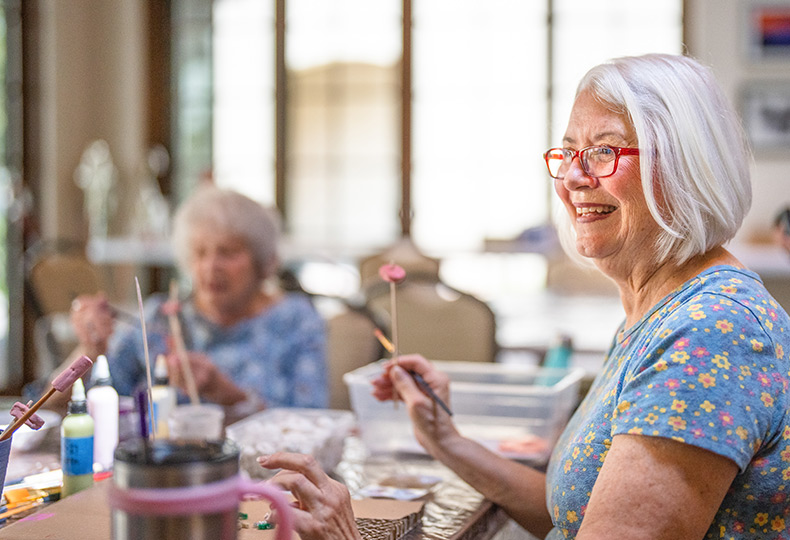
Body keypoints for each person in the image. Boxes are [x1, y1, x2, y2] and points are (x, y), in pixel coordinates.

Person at [257, 54, 790, 540]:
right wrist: (447, 440)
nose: (573, 177)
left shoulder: (709, 330)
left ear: (685, 167)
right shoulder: (656, 313)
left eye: (604, 151)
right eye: (570, 152)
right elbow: (572, 516)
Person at [68, 185, 329, 415]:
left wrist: (230, 396)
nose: (211, 267)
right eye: (200, 252)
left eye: (228, 252)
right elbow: (78, 402)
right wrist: (90, 350)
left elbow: (313, 422)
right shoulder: (161, 317)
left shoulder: (296, 320)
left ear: (263, 261)